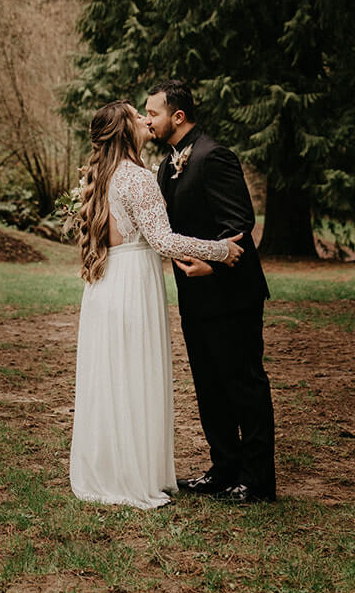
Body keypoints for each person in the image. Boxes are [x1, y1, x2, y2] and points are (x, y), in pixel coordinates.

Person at [67, 101, 242, 509]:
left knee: (114, 379)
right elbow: (163, 241)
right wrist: (219, 250)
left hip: (105, 285)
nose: (147, 119)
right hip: (131, 286)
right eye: (137, 115)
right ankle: (132, 477)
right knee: (134, 374)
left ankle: (111, 470)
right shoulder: (137, 178)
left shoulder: (102, 176)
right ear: (127, 130)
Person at [145, 80, 276, 505]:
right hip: (194, 298)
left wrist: (212, 263)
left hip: (232, 293)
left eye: (154, 114)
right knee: (208, 384)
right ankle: (224, 468)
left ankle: (257, 480)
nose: (149, 121)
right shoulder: (167, 167)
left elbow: (240, 223)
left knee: (243, 383)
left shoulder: (214, 156)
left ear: (177, 117)